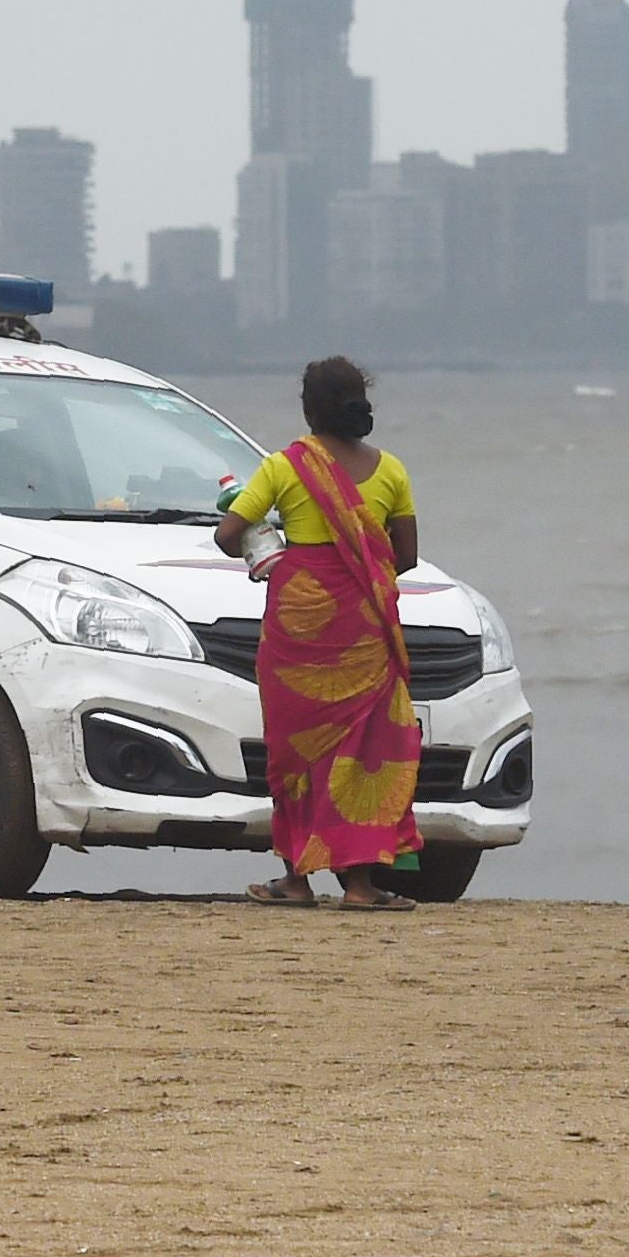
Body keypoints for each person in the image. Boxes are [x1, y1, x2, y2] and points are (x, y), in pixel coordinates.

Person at [217, 356, 424, 912]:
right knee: (362, 751)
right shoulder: (392, 472)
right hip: (363, 626)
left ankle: (296, 881)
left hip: (297, 627)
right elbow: (404, 557)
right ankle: (360, 886)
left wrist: (276, 545)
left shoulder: (285, 467)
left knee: (296, 753)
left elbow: (228, 533)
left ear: (309, 409)